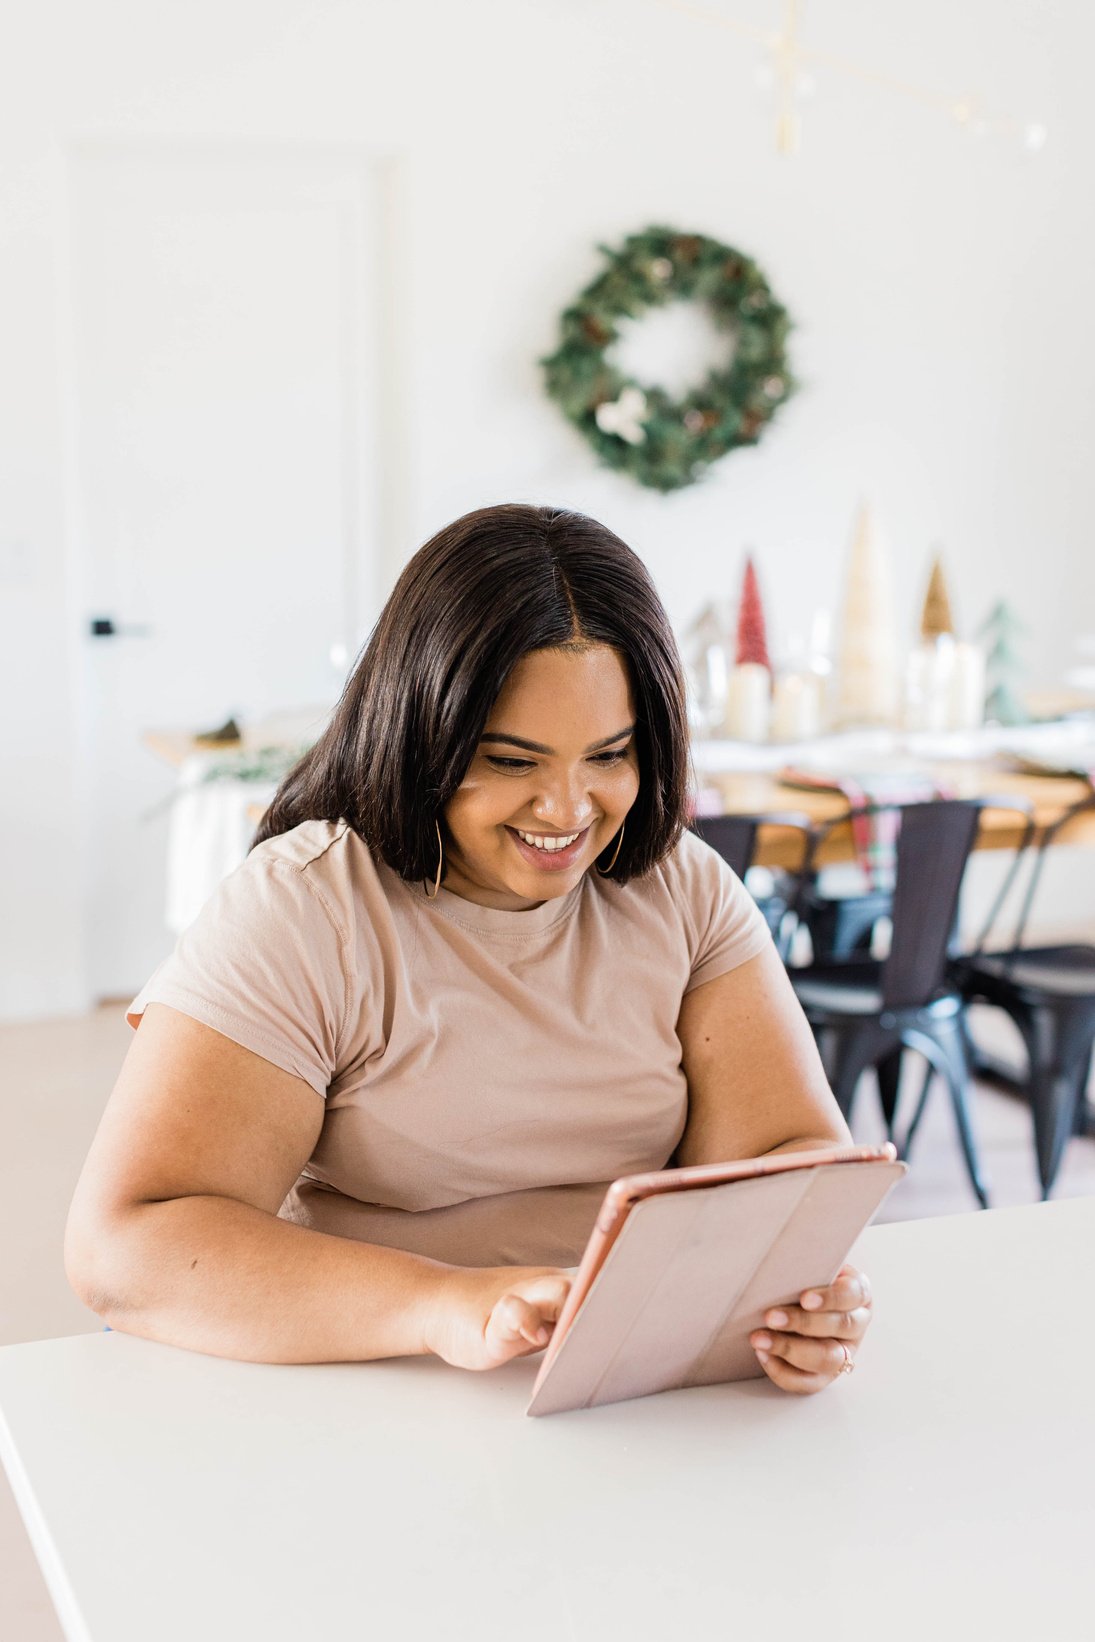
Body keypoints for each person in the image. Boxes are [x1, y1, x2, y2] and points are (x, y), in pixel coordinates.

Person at [65, 503, 873, 1393]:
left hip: (630, 1385)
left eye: (608, 756)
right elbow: (125, 1247)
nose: (568, 811)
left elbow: (789, 1164)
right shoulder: (309, 909)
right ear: (424, 737)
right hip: (382, 1376)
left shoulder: (678, 886)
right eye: (513, 762)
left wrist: (803, 1300)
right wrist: (444, 1305)